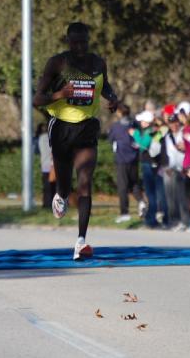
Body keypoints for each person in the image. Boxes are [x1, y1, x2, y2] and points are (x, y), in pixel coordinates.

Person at [34, 22, 119, 260]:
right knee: (64, 183)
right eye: (75, 42)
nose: (80, 46)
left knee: (85, 182)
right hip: (61, 126)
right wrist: (61, 94)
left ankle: (81, 241)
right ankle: (60, 194)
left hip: (87, 127)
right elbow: (37, 99)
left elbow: (105, 85)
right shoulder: (58, 63)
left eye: (84, 42)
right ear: (68, 42)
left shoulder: (98, 63)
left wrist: (112, 98)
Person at [108, 104, 145, 223]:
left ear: (119, 113)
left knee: (122, 186)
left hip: (122, 159)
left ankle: (125, 213)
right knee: (134, 183)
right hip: (134, 158)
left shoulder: (117, 126)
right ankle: (141, 202)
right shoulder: (135, 124)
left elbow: (111, 139)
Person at [36, 123, 56, 209]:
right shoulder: (52, 138)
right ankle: (54, 204)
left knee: (46, 187)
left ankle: (46, 204)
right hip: (52, 165)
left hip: (44, 165)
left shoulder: (39, 139)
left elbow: (37, 150)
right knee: (54, 187)